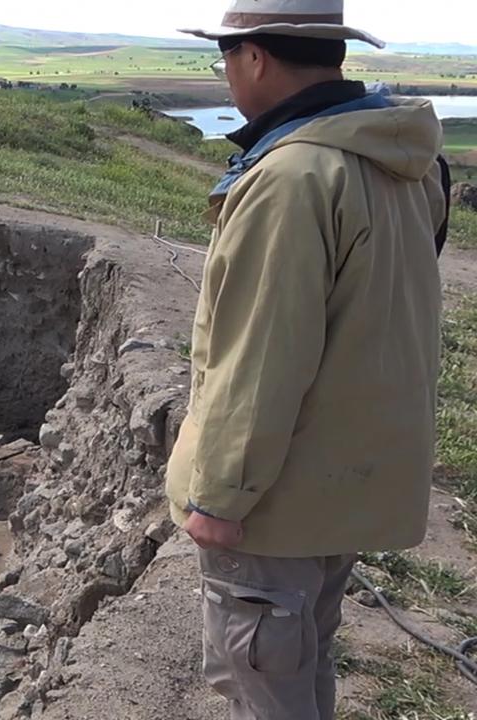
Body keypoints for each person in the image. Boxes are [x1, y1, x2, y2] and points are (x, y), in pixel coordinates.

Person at [166, 2, 451, 719]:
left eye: (225, 59)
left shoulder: (292, 178)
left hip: (279, 501)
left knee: (262, 676)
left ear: (255, 58)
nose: (225, 75)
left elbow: (263, 355)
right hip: (347, 476)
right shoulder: (404, 159)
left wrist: (220, 498)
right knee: (304, 657)